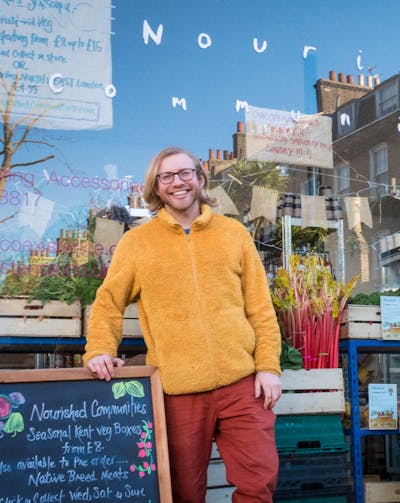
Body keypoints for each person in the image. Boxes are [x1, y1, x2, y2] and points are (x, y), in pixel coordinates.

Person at [84, 146, 282, 502]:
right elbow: (108, 302)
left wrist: (268, 367)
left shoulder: (233, 234)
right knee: (182, 493)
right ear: (155, 188)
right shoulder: (137, 243)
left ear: (200, 178)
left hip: (243, 385)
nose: (178, 182)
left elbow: (260, 309)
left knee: (258, 485)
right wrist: (100, 349)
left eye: (185, 173)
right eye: (167, 176)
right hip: (177, 390)